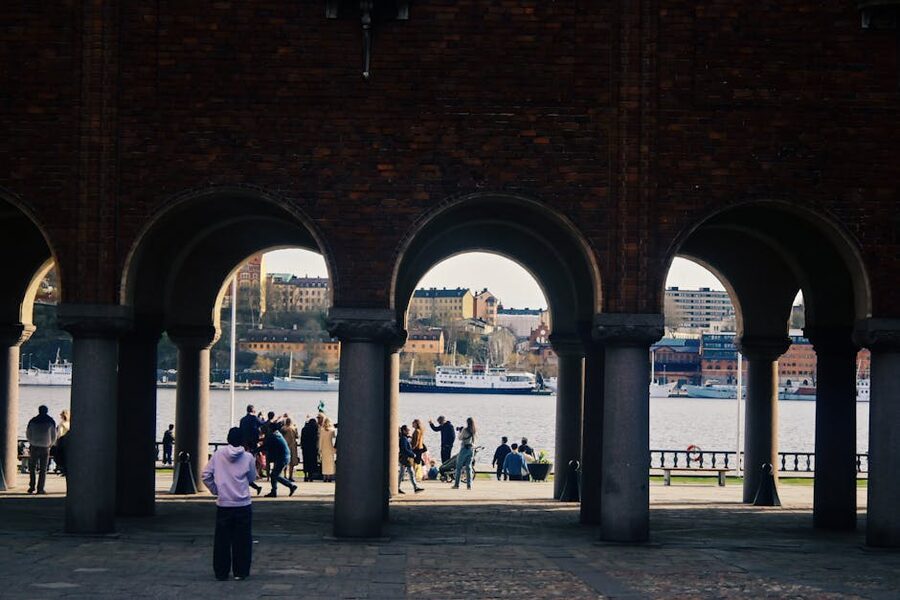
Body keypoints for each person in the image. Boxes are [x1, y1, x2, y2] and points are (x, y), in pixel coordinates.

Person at [201, 427, 256, 581]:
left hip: (224, 503)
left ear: (227, 439)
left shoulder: (218, 455)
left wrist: (216, 490)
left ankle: (221, 571)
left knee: (222, 540)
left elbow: (205, 475)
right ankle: (241, 571)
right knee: (243, 540)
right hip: (243, 503)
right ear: (242, 440)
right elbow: (252, 478)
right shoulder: (248, 457)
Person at [25, 405, 56, 494]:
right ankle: (40, 488)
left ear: (39, 411)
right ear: (47, 411)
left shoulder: (32, 421)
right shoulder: (51, 421)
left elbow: (28, 433)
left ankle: (31, 487)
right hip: (45, 447)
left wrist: (31, 442)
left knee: (32, 468)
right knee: (43, 469)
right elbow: (54, 435)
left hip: (34, 446)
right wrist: (50, 444)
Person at [263, 424, 296, 497]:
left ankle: (291, 485)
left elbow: (265, 446)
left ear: (270, 429)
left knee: (274, 475)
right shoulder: (278, 434)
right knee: (275, 474)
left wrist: (254, 451)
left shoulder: (273, 436)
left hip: (282, 458)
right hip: (285, 457)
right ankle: (274, 491)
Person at [397, 425, 424, 494]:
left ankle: (415, 487)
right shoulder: (403, 439)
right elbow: (405, 449)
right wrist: (412, 454)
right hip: (405, 459)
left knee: (406, 473)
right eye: (407, 430)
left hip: (405, 458)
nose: (409, 431)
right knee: (405, 473)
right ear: (404, 431)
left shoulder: (404, 438)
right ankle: (415, 487)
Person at [452, 417, 476, 490]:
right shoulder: (474, 430)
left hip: (464, 449)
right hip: (471, 449)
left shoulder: (465, 430)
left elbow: (460, 438)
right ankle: (469, 485)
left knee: (459, 467)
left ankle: (457, 484)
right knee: (468, 467)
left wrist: (460, 431)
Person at [317, 414, 337, 483]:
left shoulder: (322, 430)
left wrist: (320, 449)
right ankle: (330, 477)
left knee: (324, 463)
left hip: (324, 448)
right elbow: (334, 439)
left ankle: (325, 477)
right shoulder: (332, 430)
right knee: (330, 463)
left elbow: (320, 440)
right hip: (330, 448)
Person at [300, 417, 319, 482]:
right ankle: (311, 476)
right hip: (313, 448)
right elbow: (317, 439)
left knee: (306, 462)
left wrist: (302, 446)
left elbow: (302, 439)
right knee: (312, 462)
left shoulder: (304, 429)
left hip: (305, 448)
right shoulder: (315, 429)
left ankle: (305, 475)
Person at [281, 417, 300, 482]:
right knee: (291, 463)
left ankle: (284, 475)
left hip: (285, 446)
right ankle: (290, 476)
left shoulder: (283, 429)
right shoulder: (293, 428)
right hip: (292, 446)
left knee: (285, 461)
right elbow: (297, 436)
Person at [53, 409, 70, 475]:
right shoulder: (70, 424)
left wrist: (56, 442)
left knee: (59, 456)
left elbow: (59, 434)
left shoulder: (61, 424)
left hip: (61, 442)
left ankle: (61, 468)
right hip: (68, 442)